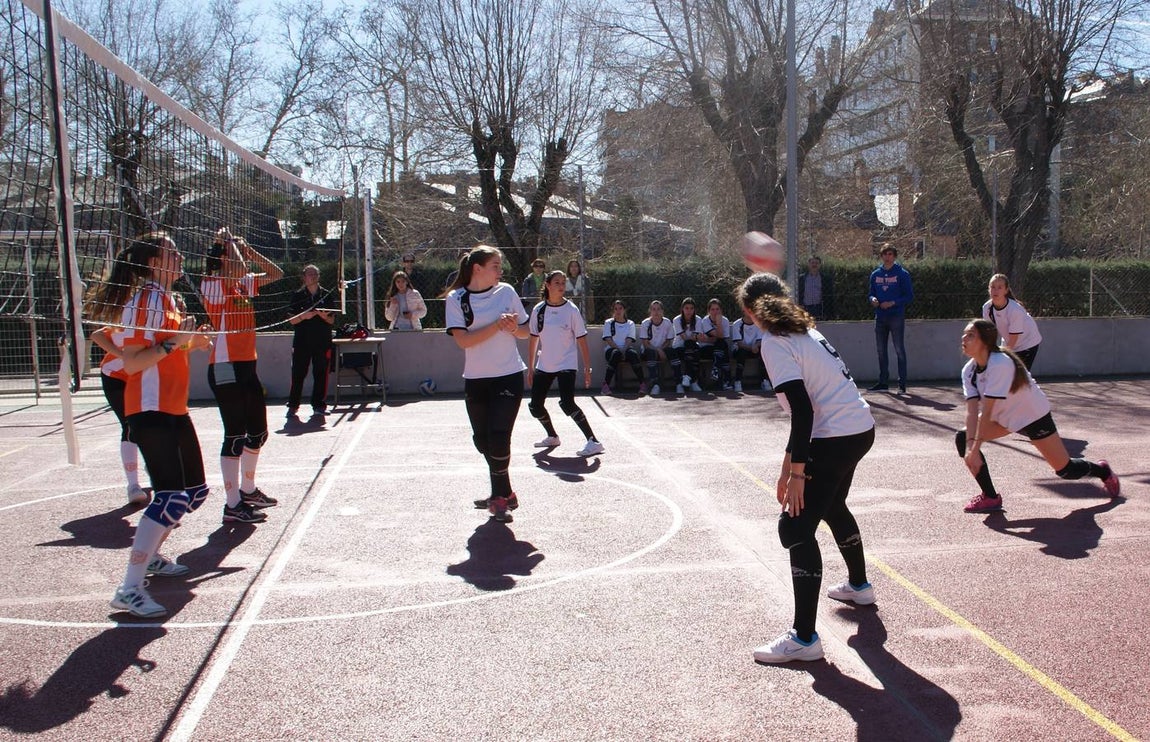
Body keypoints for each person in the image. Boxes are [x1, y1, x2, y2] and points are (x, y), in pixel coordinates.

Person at [736, 272, 877, 664]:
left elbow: (803, 410)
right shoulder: (805, 332)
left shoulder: (774, 342)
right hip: (859, 429)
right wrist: (788, 467)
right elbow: (810, 407)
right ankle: (858, 585)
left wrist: (798, 475)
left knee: (796, 528)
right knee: (831, 506)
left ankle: (803, 638)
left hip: (835, 437)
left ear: (750, 311)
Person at [87, 232, 214, 618]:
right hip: (149, 407)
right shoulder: (145, 300)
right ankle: (129, 588)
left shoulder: (167, 299)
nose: (178, 255)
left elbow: (166, 347)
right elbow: (133, 363)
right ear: (154, 261)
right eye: (171, 251)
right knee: (171, 496)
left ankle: (153, 556)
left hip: (173, 407)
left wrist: (191, 342)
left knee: (194, 492)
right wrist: (177, 342)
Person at [956, 318, 1119, 513]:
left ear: (985, 341)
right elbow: (972, 411)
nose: (964, 338)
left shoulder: (999, 363)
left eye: (971, 335)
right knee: (962, 437)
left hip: (1032, 415)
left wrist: (974, 451)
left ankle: (1103, 471)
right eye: (964, 334)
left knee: (1065, 470)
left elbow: (988, 412)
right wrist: (969, 447)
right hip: (1005, 417)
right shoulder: (969, 370)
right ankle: (990, 497)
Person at [200, 229, 283, 524]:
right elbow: (235, 270)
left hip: (247, 365)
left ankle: (248, 491)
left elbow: (276, 272)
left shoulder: (241, 286)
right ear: (222, 259)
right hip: (224, 365)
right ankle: (232, 504)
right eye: (232, 255)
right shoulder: (212, 284)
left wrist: (246, 249)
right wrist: (231, 245)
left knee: (258, 432)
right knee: (234, 435)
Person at [445, 245, 530, 523]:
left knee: (498, 436)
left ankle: (500, 500)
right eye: (495, 265)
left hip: (508, 376)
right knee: (482, 441)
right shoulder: (456, 299)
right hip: (476, 380)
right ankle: (504, 491)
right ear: (477, 269)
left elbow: (525, 332)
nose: (500, 270)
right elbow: (463, 341)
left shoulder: (506, 292)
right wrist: (496, 325)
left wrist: (513, 328)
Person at [527, 270, 604, 457]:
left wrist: (587, 368)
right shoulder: (539, 310)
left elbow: (582, 340)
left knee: (567, 403)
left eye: (563, 282)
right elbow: (533, 339)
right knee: (535, 406)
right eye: (557, 282)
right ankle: (552, 436)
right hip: (545, 364)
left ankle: (593, 441)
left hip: (566, 364)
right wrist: (530, 368)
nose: (561, 286)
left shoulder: (571, 310)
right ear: (547, 285)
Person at [89, 326, 149, 505]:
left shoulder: (159, 326)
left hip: (142, 378)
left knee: (150, 425)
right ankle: (133, 486)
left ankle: (152, 465)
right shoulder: (129, 321)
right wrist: (123, 355)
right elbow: (97, 335)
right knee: (129, 425)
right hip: (114, 376)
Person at [286, 264, 336, 417]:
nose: (313, 277)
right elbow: (291, 320)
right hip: (302, 342)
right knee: (298, 373)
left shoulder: (326, 295)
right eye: (309, 274)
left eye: (315, 274)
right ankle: (293, 405)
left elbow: (332, 320)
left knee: (321, 373)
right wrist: (303, 316)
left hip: (322, 341)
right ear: (304, 277)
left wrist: (323, 316)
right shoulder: (298, 295)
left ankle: (319, 405)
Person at [867, 244, 913, 394]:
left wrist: (893, 303)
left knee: (899, 349)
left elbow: (909, 296)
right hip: (880, 317)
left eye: (890, 254)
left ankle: (902, 384)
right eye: (885, 254)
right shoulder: (875, 274)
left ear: (894, 256)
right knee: (881, 350)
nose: (888, 257)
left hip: (896, 316)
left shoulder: (902, 274)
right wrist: (873, 299)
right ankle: (883, 382)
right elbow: (871, 293)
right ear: (881, 256)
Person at [981, 273, 1042, 370]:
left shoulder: (1015, 310)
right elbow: (989, 333)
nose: (995, 290)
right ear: (989, 289)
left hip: (1027, 343)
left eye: (1000, 287)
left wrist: (1001, 357)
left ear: (1006, 290)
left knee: (1020, 378)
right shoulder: (986, 308)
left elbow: (1014, 338)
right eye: (992, 287)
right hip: (1008, 342)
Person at [601, 300, 642, 394]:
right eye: (615, 309)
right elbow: (608, 340)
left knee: (633, 354)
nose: (618, 311)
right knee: (616, 354)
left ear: (624, 310)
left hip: (626, 349)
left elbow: (629, 339)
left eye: (620, 308)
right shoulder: (608, 322)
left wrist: (624, 350)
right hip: (612, 350)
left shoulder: (630, 323)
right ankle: (605, 386)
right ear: (613, 310)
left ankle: (642, 384)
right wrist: (619, 350)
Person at [639, 300, 675, 395]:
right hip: (648, 351)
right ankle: (655, 385)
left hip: (663, 350)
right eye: (653, 309)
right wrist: (658, 350)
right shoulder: (645, 323)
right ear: (650, 311)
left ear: (662, 311)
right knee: (651, 353)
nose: (656, 312)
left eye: (659, 309)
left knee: (672, 352)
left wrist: (662, 350)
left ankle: (679, 383)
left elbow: (668, 341)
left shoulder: (667, 323)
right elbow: (645, 343)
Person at [731, 306, 768, 393]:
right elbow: (739, 343)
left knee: (763, 352)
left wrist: (756, 346)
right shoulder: (737, 324)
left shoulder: (759, 323)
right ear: (744, 310)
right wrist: (752, 348)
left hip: (754, 349)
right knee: (742, 353)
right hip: (740, 349)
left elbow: (760, 340)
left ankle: (765, 380)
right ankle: (737, 381)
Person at [698, 298, 732, 390]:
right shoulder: (705, 321)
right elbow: (720, 336)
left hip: (719, 350)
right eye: (712, 309)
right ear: (708, 311)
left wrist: (719, 323)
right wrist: (718, 325)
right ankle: (726, 380)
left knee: (722, 345)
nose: (715, 312)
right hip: (706, 349)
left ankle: (716, 371)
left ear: (721, 310)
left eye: (717, 309)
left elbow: (722, 338)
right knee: (722, 345)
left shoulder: (725, 320)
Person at [671, 297, 703, 393]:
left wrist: (695, 338)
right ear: (682, 309)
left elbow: (695, 337)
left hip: (692, 347)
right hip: (679, 347)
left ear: (694, 310)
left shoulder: (698, 319)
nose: (689, 311)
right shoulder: (677, 320)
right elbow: (685, 338)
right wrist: (695, 337)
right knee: (691, 347)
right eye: (686, 308)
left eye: (691, 308)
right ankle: (691, 380)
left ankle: (689, 379)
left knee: (695, 351)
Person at [797, 256, 834, 321]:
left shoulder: (825, 279)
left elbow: (829, 295)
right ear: (808, 264)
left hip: (819, 307)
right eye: (812, 263)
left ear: (820, 265)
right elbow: (799, 292)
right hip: (805, 307)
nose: (814, 265)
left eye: (816, 263)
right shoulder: (801, 278)